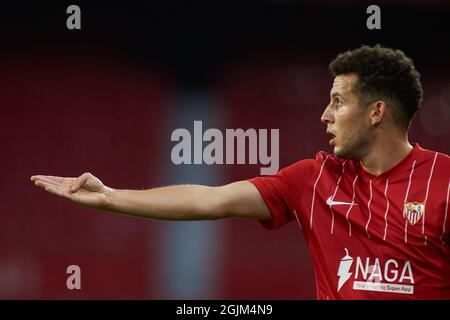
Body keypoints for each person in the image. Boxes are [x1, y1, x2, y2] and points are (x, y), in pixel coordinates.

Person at [31, 45, 450, 299]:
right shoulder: (313, 180)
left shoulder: (443, 182)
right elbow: (211, 200)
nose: (325, 115)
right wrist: (111, 197)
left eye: (339, 102)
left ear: (377, 112)